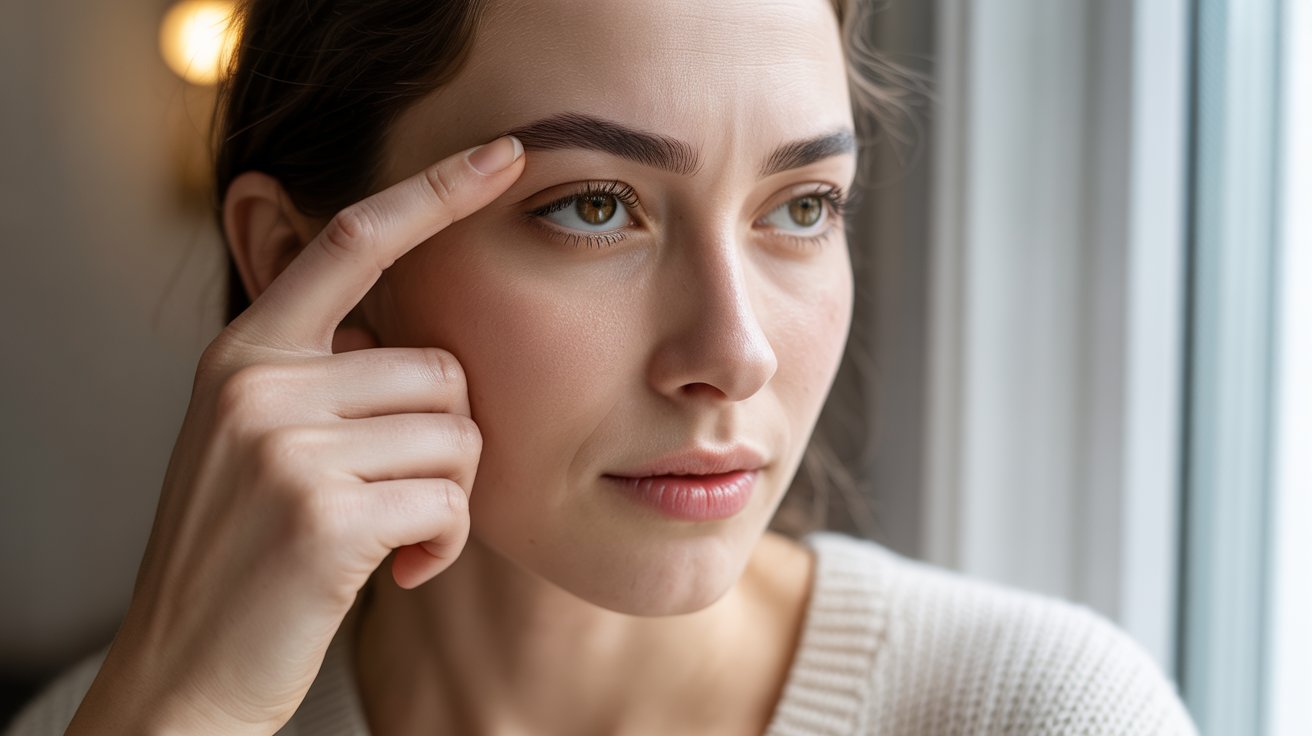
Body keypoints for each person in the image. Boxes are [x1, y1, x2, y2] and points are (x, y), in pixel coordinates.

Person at [6, 0, 1200, 733]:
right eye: (593, 206)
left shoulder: (1037, 714)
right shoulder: (111, 727)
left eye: (801, 206)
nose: (735, 353)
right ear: (301, 258)